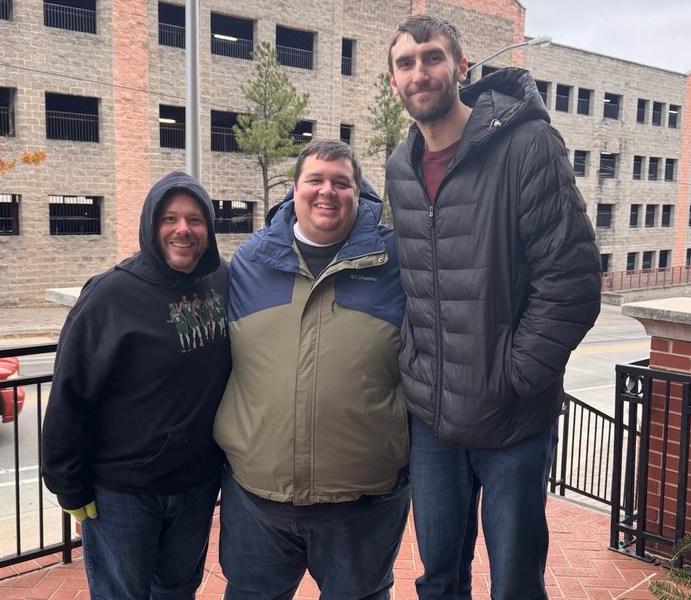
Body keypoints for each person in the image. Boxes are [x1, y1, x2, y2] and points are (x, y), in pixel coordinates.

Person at [384, 15, 602, 600]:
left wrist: (517, 374)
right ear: (393, 81)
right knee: (438, 577)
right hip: (432, 418)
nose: (419, 72)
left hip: (511, 418)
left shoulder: (526, 144)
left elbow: (573, 278)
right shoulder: (400, 166)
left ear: (460, 67)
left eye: (431, 57)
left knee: (514, 581)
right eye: (405, 63)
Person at [214, 139, 410, 600]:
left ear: (359, 194)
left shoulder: (397, 262)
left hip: (362, 504)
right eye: (315, 180)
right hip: (256, 499)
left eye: (342, 182)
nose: (328, 191)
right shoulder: (249, 262)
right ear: (294, 190)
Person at [41, 171, 231, 599]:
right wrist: (67, 483)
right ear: (150, 225)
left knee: (179, 591)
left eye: (195, 220)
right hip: (121, 492)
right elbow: (71, 393)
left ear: (209, 229)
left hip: (197, 483)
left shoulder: (222, 281)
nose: (183, 229)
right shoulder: (110, 295)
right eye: (169, 218)